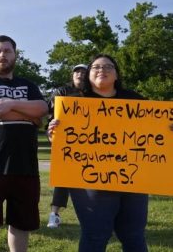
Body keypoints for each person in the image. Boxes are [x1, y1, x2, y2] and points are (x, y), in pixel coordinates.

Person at [47, 54, 148, 252]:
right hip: (90, 181)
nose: (102, 70)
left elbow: (155, 131)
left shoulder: (135, 100)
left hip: (132, 179)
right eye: (96, 67)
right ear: (88, 75)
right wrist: (54, 134)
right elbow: (60, 140)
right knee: (95, 235)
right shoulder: (73, 104)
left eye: (108, 66)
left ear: (117, 74)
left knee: (134, 236)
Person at [0, 35, 48, 252]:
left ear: (15, 55)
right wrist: (29, 114)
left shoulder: (28, 85)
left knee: (21, 224)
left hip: (26, 167)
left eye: (7, 50)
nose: (2, 55)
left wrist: (10, 104)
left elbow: (42, 108)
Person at [47, 63, 87, 229]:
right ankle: (54, 214)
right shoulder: (62, 92)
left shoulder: (94, 93)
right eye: (76, 71)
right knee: (62, 178)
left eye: (83, 72)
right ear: (72, 75)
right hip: (66, 140)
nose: (80, 74)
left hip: (90, 141)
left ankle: (92, 214)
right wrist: (52, 125)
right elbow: (51, 112)